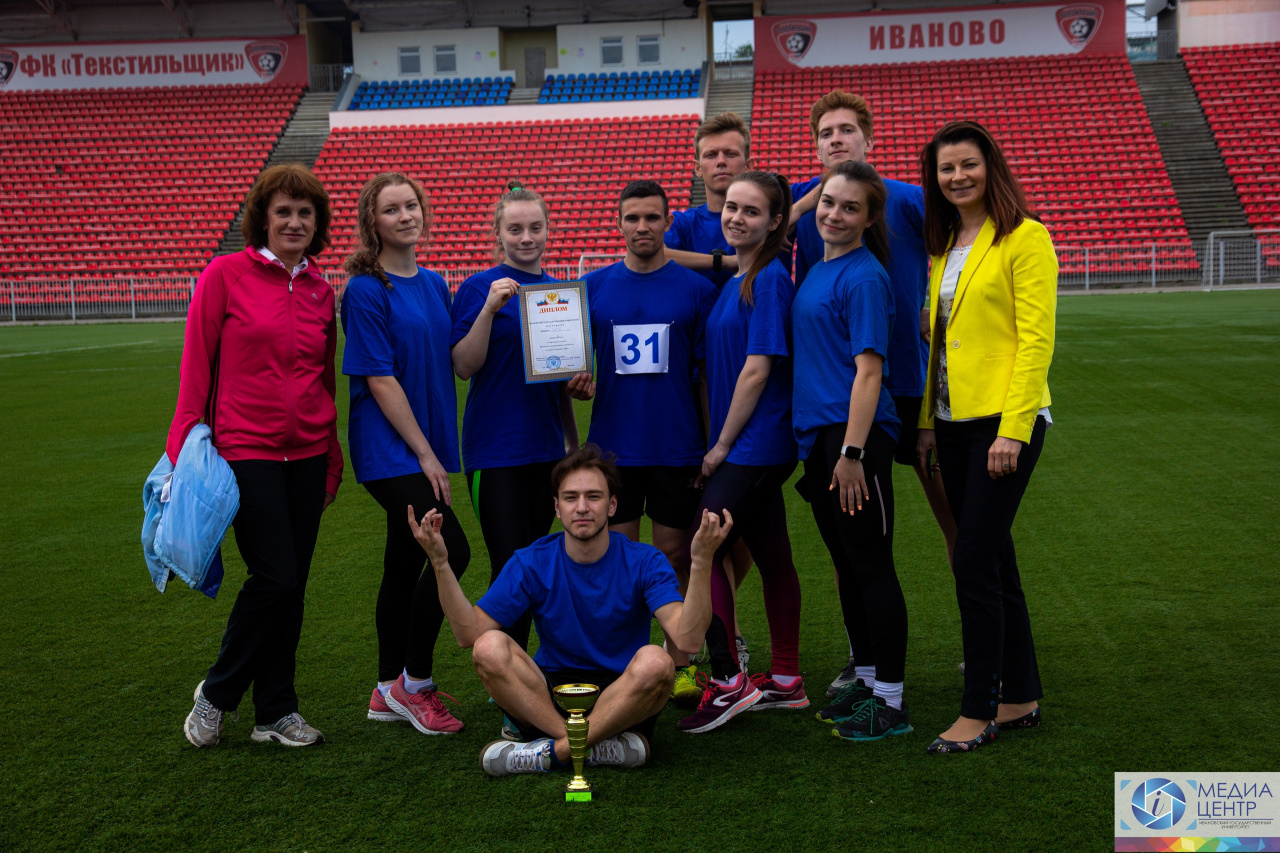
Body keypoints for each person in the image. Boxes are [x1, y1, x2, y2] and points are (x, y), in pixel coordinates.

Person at [406, 444, 734, 776]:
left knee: (657, 662)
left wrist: (702, 561)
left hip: (622, 697)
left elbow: (688, 640)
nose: (582, 507)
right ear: (557, 508)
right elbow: (469, 634)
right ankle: (594, 746)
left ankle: (550, 752)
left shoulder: (645, 561)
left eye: (594, 497)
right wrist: (440, 563)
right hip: (549, 699)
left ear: (612, 505)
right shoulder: (531, 561)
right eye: (570, 497)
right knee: (488, 647)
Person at [791, 90, 958, 699]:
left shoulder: (905, 202)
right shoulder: (812, 217)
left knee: (955, 525)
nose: (836, 139)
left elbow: (960, 251)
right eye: (825, 132)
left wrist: (933, 309)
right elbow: (755, 231)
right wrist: (810, 198)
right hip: (838, 408)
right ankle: (864, 664)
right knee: (852, 552)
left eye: (847, 130)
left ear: (868, 139)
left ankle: (976, 646)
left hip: (903, 394)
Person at [176, 164, 342, 748]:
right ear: (263, 219)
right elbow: (196, 366)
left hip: (309, 452)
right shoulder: (225, 274)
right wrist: (182, 447)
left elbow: (324, 379)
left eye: (305, 213)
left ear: (317, 223)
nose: (295, 222)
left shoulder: (322, 291)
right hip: (246, 450)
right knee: (274, 577)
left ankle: (275, 711)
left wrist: (332, 457)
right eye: (283, 212)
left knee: (292, 587)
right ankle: (217, 694)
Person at [915, 120, 1056, 754]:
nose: (957, 176)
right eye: (946, 169)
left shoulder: (1026, 237)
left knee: (973, 559)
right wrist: (927, 422)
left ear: (990, 167)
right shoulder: (946, 245)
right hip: (951, 422)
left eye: (968, 164)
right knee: (995, 559)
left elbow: (1035, 342)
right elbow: (940, 347)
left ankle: (980, 709)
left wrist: (1013, 431)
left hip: (1003, 425)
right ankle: (1020, 696)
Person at [572, 180, 717, 693]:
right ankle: (621, 664)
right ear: (619, 223)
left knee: (675, 557)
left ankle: (682, 664)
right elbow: (572, 365)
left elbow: (705, 377)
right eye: (632, 218)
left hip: (677, 447)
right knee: (617, 562)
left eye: (652, 217)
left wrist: (710, 445)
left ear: (667, 222)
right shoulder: (591, 288)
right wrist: (576, 382)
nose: (642, 227)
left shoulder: (696, 290)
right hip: (613, 450)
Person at [341, 172, 471, 735]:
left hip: (422, 445)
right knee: (453, 550)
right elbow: (379, 378)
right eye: (391, 209)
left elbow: (456, 358)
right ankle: (414, 684)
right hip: (390, 448)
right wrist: (425, 454)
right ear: (373, 222)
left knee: (402, 561)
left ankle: (383, 689)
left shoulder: (436, 283)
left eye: (411, 205)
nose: (405, 216)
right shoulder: (366, 289)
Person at [676, 171, 806, 734]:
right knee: (773, 556)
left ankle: (729, 680)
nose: (736, 217)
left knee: (698, 550)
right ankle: (787, 679)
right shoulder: (739, 278)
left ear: (775, 222)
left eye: (751, 211)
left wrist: (721, 446)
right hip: (750, 443)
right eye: (731, 207)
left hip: (756, 443)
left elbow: (757, 369)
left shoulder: (770, 278)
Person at [792, 160, 911, 742]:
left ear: (869, 218)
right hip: (822, 439)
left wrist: (853, 453)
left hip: (854, 440)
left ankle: (890, 699)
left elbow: (869, 372)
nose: (834, 214)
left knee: (871, 565)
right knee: (848, 564)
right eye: (828, 202)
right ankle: (865, 680)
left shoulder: (863, 276)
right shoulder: (819, 267)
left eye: (849, 207)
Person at [450, 182, 584, 652]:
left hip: (546, 451)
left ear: (548, 230)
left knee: (535, 564)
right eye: (515, 229)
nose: (526, 238)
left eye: (535, 227)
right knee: (510, 566)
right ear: (498, 233)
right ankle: (504, 673)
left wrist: (571, 443)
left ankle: (524, 668)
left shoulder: (560, 294)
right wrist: (489, 309)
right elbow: (464, 366)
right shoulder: (478, 288)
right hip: (495, 450)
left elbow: (561, 384)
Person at [662, 112, 762, 682]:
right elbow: (660, 253)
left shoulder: (762, 207)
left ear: (747, 159)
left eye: (731, 153)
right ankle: (714, 633)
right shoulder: (685, 223)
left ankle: (721, 628)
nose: (721, 162)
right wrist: (723, 262)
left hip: (755, 385)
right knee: (698, 531)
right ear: (697, 165)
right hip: (694, 387)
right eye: (711, 155)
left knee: (743, 526)